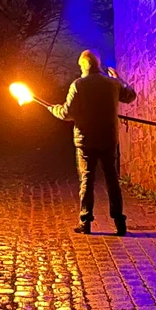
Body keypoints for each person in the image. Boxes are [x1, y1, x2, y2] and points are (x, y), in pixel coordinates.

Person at [48, 50, 137, 235]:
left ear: (83, 65)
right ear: (98, 64)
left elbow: (66, 113)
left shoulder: (78, 85)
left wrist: (53, 109)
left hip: (85, 140)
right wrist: (120, 79)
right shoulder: (112, 84)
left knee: (87, 180)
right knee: (112, 180)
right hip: (108, 139)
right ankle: (120, 222)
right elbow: (130, 96)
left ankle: (85, 221)